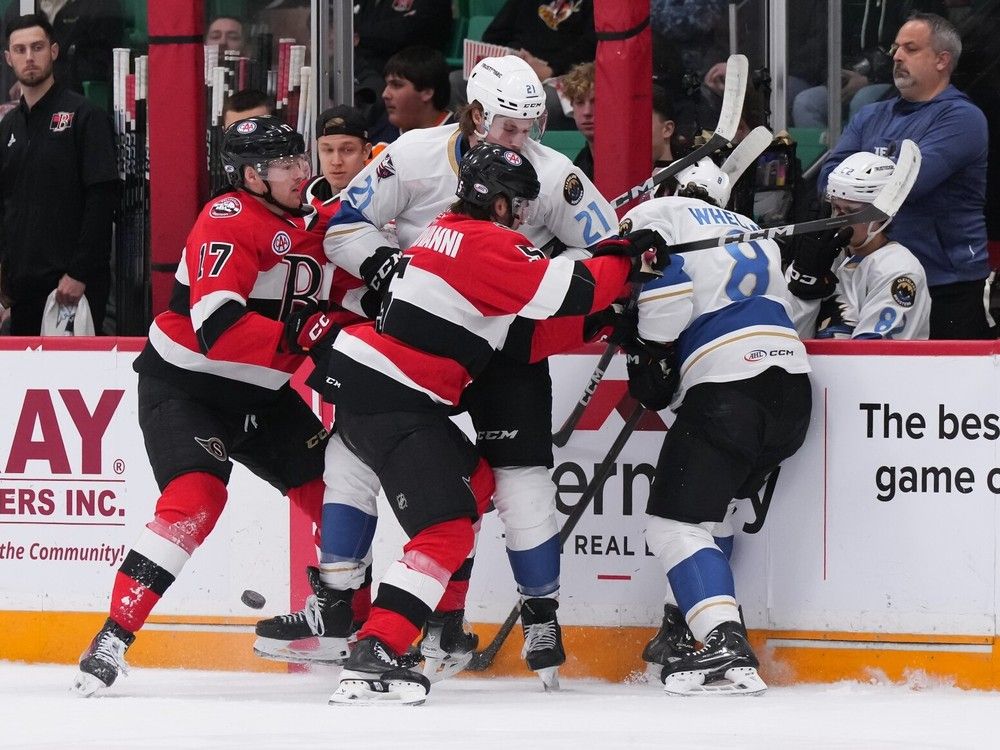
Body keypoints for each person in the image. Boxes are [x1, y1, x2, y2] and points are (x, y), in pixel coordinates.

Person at [276, 55, 620, 688]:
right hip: (420, 343)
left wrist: (543, 283)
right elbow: (346, 227)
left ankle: (534, 617)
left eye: (529, 126)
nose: (521, 139)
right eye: (508, 126)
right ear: (475, 113)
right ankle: (343, 605)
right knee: (353, 463)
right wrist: (383, 269)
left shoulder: (552, 175)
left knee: (518, 484)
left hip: (505, 339)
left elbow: (601, 247)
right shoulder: (411, 155)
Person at [324, 142, 664, 705]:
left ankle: (432, 624)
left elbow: (521, 336)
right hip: (397, 400)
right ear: (500, 205)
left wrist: (607, 317)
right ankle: (376, 650)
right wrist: (626, 258)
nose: (528, 216)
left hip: (367, 392)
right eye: (522, 204)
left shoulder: (441, 234)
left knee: (478, 483)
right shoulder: (490, 244)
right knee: (449, 529)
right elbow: (575, 289)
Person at [71, 116, 338, 695]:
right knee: (195, 499)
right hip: (189, 389)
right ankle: (115, 634)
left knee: (336, 489)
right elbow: (217, 324)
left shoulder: (316, 223)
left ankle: (342, 619)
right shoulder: (229, 218)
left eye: (301, 160)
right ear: (250, 176)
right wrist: (310, 338)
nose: (301, 173)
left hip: (264, 397)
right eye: (285, 166)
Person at [619, 157, 812, 696]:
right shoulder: (752, 230)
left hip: (729, 385)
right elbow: (789, 308)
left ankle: (724, 639)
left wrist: (646, 344)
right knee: (713, 512)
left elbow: (664, 295)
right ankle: (681, 627)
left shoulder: (661, 210)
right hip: (791, 387)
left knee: (671, 525)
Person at [819, 12, 990, 339]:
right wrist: (860, 181)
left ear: (942, 60)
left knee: (946, 388)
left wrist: (858, 177)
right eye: (897, 48)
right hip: (871, 276)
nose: (896, 56)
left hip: (945, 282)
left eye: (910, 49)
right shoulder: (870, 114)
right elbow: (829, 177)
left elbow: (908, 185)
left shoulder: (963, 118)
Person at [0, 13, 117, 335]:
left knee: (76, 381)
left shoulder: (85, 116)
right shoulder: (7, 128)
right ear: (8, 58)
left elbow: (101, 199)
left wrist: (79, 273)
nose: (29, 57)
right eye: (20, 50)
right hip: (21, 290)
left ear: (53, 51)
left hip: (71, 287)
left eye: (37, 47)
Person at [787, 151, 930, 340]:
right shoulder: (815, 258)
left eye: (850, 212)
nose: (839, 219)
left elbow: (872, 356)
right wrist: (804, 287)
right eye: (836, 208)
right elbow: (785, 342)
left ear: (881, 213)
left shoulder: (899, 270)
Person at [1, 0, 124, 99]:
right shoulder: (18, 9)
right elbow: (8, 75)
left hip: (76, 107)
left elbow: (103, 67)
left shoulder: (100, 7)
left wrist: (41, 82)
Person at [380, 46, 452, 137]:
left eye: (396, 85)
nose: (385, 95)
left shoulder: (464, 141)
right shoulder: (376, 140)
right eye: (387, 85)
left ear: (427, 91)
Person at [561, 61, 594, 179]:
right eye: (579, 102)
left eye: (596, 102)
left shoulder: (628, 159)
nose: (587, 112)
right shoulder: (580, 163)